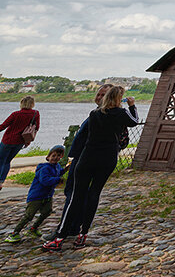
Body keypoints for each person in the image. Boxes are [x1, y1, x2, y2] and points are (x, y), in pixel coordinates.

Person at [43, 86, 138, 251]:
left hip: (89, 156)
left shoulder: (95, 114)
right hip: (108, 158)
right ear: (118, 100)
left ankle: (60, 236)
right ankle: (82, 235)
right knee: (94, 194)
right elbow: (134, 121)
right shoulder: (121, 114)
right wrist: (131, 105)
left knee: (76, 196)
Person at [3, 146, 66, 242]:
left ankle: (33, 228)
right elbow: (45, 181)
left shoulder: (57, 167)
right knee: (29, 215)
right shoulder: (44, 168)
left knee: (47, 212)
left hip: (47, 196)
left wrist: (66, 169)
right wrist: (58, 180)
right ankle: (14, 233)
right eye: (53, 155)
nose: (55, 158)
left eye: (58, 156)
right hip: (36, 196)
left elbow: (59, 172)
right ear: (48, 157)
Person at [62, 83, 113, 199]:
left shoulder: (106, 116)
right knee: (75, 190)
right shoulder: (97, 112)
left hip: (86, 158)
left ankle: (74, 216)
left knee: (74, 192)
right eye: (98, 94)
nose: (99, 97)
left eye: (103, 95)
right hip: (81, 157)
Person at [0, 96, 40, 194]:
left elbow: (3, 126)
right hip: (20, 141)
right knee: (7, 161)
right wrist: (28, 140)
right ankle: (0, 183)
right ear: (32, 104)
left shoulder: (16, 114)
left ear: (22, 103)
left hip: (8, 141)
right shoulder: (35, 113)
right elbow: (36, 128)